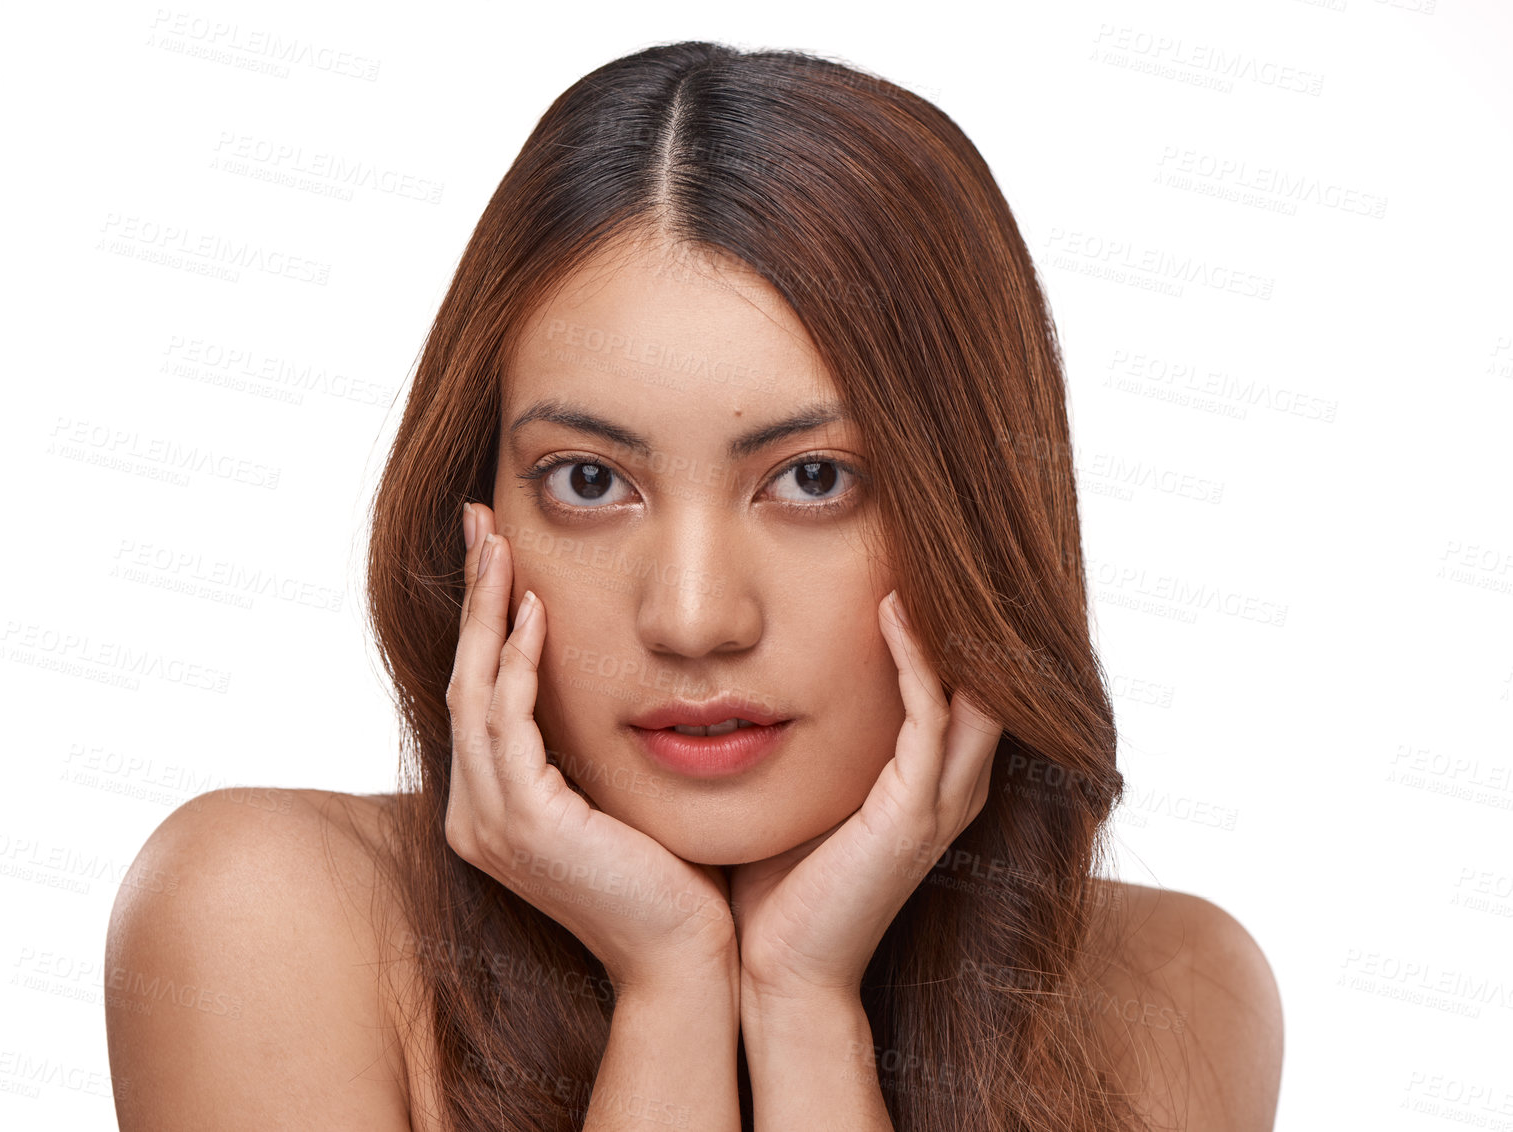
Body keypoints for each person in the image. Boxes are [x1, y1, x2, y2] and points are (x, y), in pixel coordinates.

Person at [104, 40, 1283, 1131]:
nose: (692, 618)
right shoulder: (264, 915)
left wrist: (802, 1003)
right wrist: (669, 982)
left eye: (813, 478)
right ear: (476, 520)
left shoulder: (1165, 992)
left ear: (974, 518)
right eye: (587, 479)